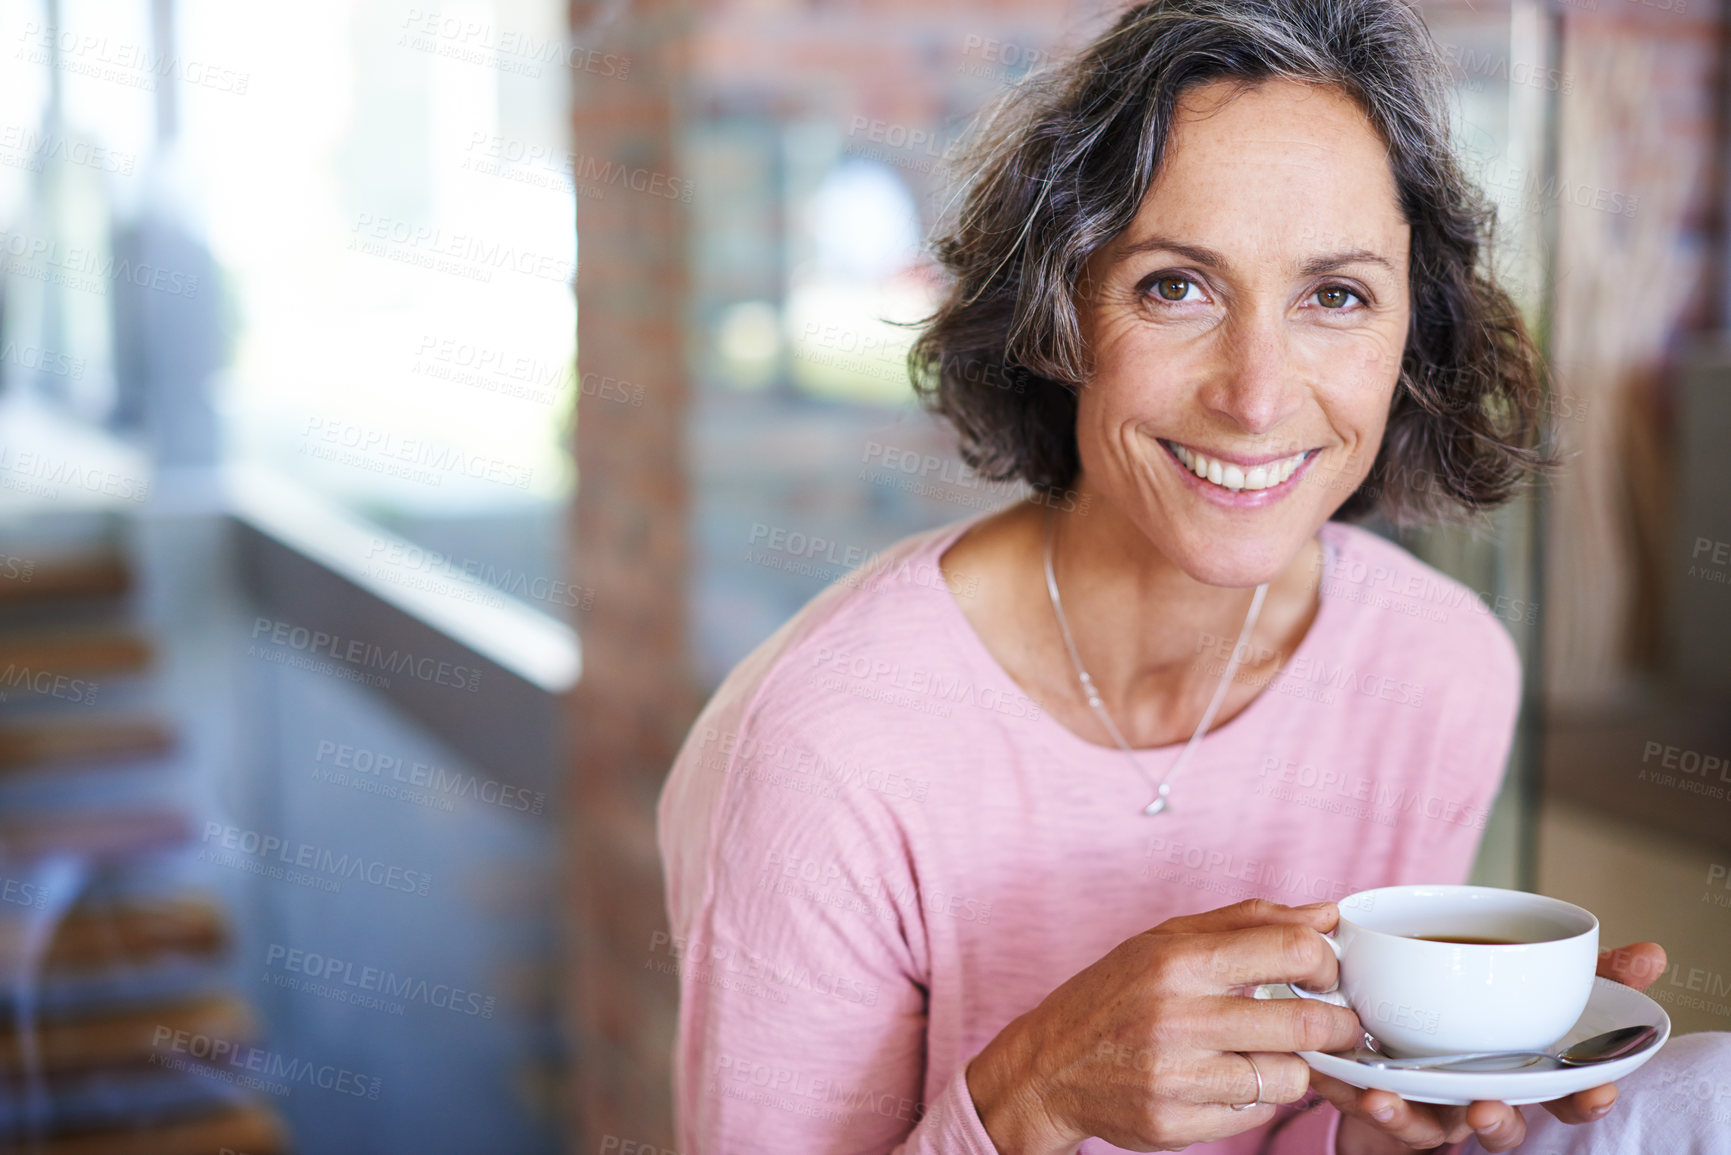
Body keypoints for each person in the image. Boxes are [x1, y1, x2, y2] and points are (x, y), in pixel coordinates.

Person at [656, 0, 1729, 1151]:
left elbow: (1324, 1108)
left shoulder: (1437, 665)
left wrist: (1384, 1130)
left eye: (1337, 295)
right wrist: (1034, 1095)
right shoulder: (832, 746)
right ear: (1061, 312)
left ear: (1414, 337)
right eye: (1177, 285)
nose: (1257, 395)